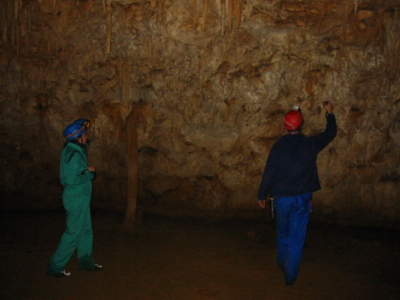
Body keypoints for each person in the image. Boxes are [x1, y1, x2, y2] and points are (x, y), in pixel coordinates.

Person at [257, 101, 336, 286]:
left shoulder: (278, 147)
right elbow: (330, 133)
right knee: (297, 236)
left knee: (282, 233)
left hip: (282, 198)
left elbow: (269, 172)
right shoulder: (310, 144)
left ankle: (282, 262)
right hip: (302, 198)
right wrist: (329, 113)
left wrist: (262, 195)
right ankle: (290, 275)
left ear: (285, 126)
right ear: (302, 125)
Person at [46, 119, 102, 278]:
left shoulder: (74, 150)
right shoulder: (74, 154)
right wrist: (89, 173)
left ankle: (85, 261)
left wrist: (86, 172)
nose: (87, 136)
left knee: (85, 230)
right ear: (79, 136)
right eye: (85, 134)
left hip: (81, 198)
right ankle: (55, 267)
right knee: (73, 233)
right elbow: (69, 180)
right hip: (76, 198)